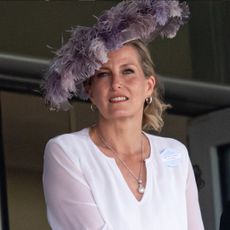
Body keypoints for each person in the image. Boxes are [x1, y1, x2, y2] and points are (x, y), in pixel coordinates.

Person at [42, 0, 204, 229]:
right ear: (89, 90)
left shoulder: (176, 154)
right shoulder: (67, 151)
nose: (117, 83)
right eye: (103, 74)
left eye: (128, 71)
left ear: (148, 86)